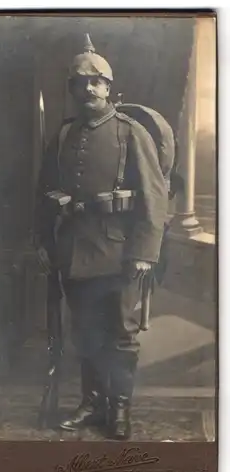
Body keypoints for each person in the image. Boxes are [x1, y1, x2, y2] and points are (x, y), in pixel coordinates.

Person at [34, 34, 168, 440]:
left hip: (122, 252)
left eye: (96, 81)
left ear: (110, 87)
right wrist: (43, 241)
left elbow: (154, 196)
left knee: (122, 335)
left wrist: (145, 251)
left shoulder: (130, 133)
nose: (88, 88)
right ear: (73, 89)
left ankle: (119, 409)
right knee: (87, 331)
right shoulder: (63, 135)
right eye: (80, 81)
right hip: (74, 250)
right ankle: (92, 404)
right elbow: (44, 192)